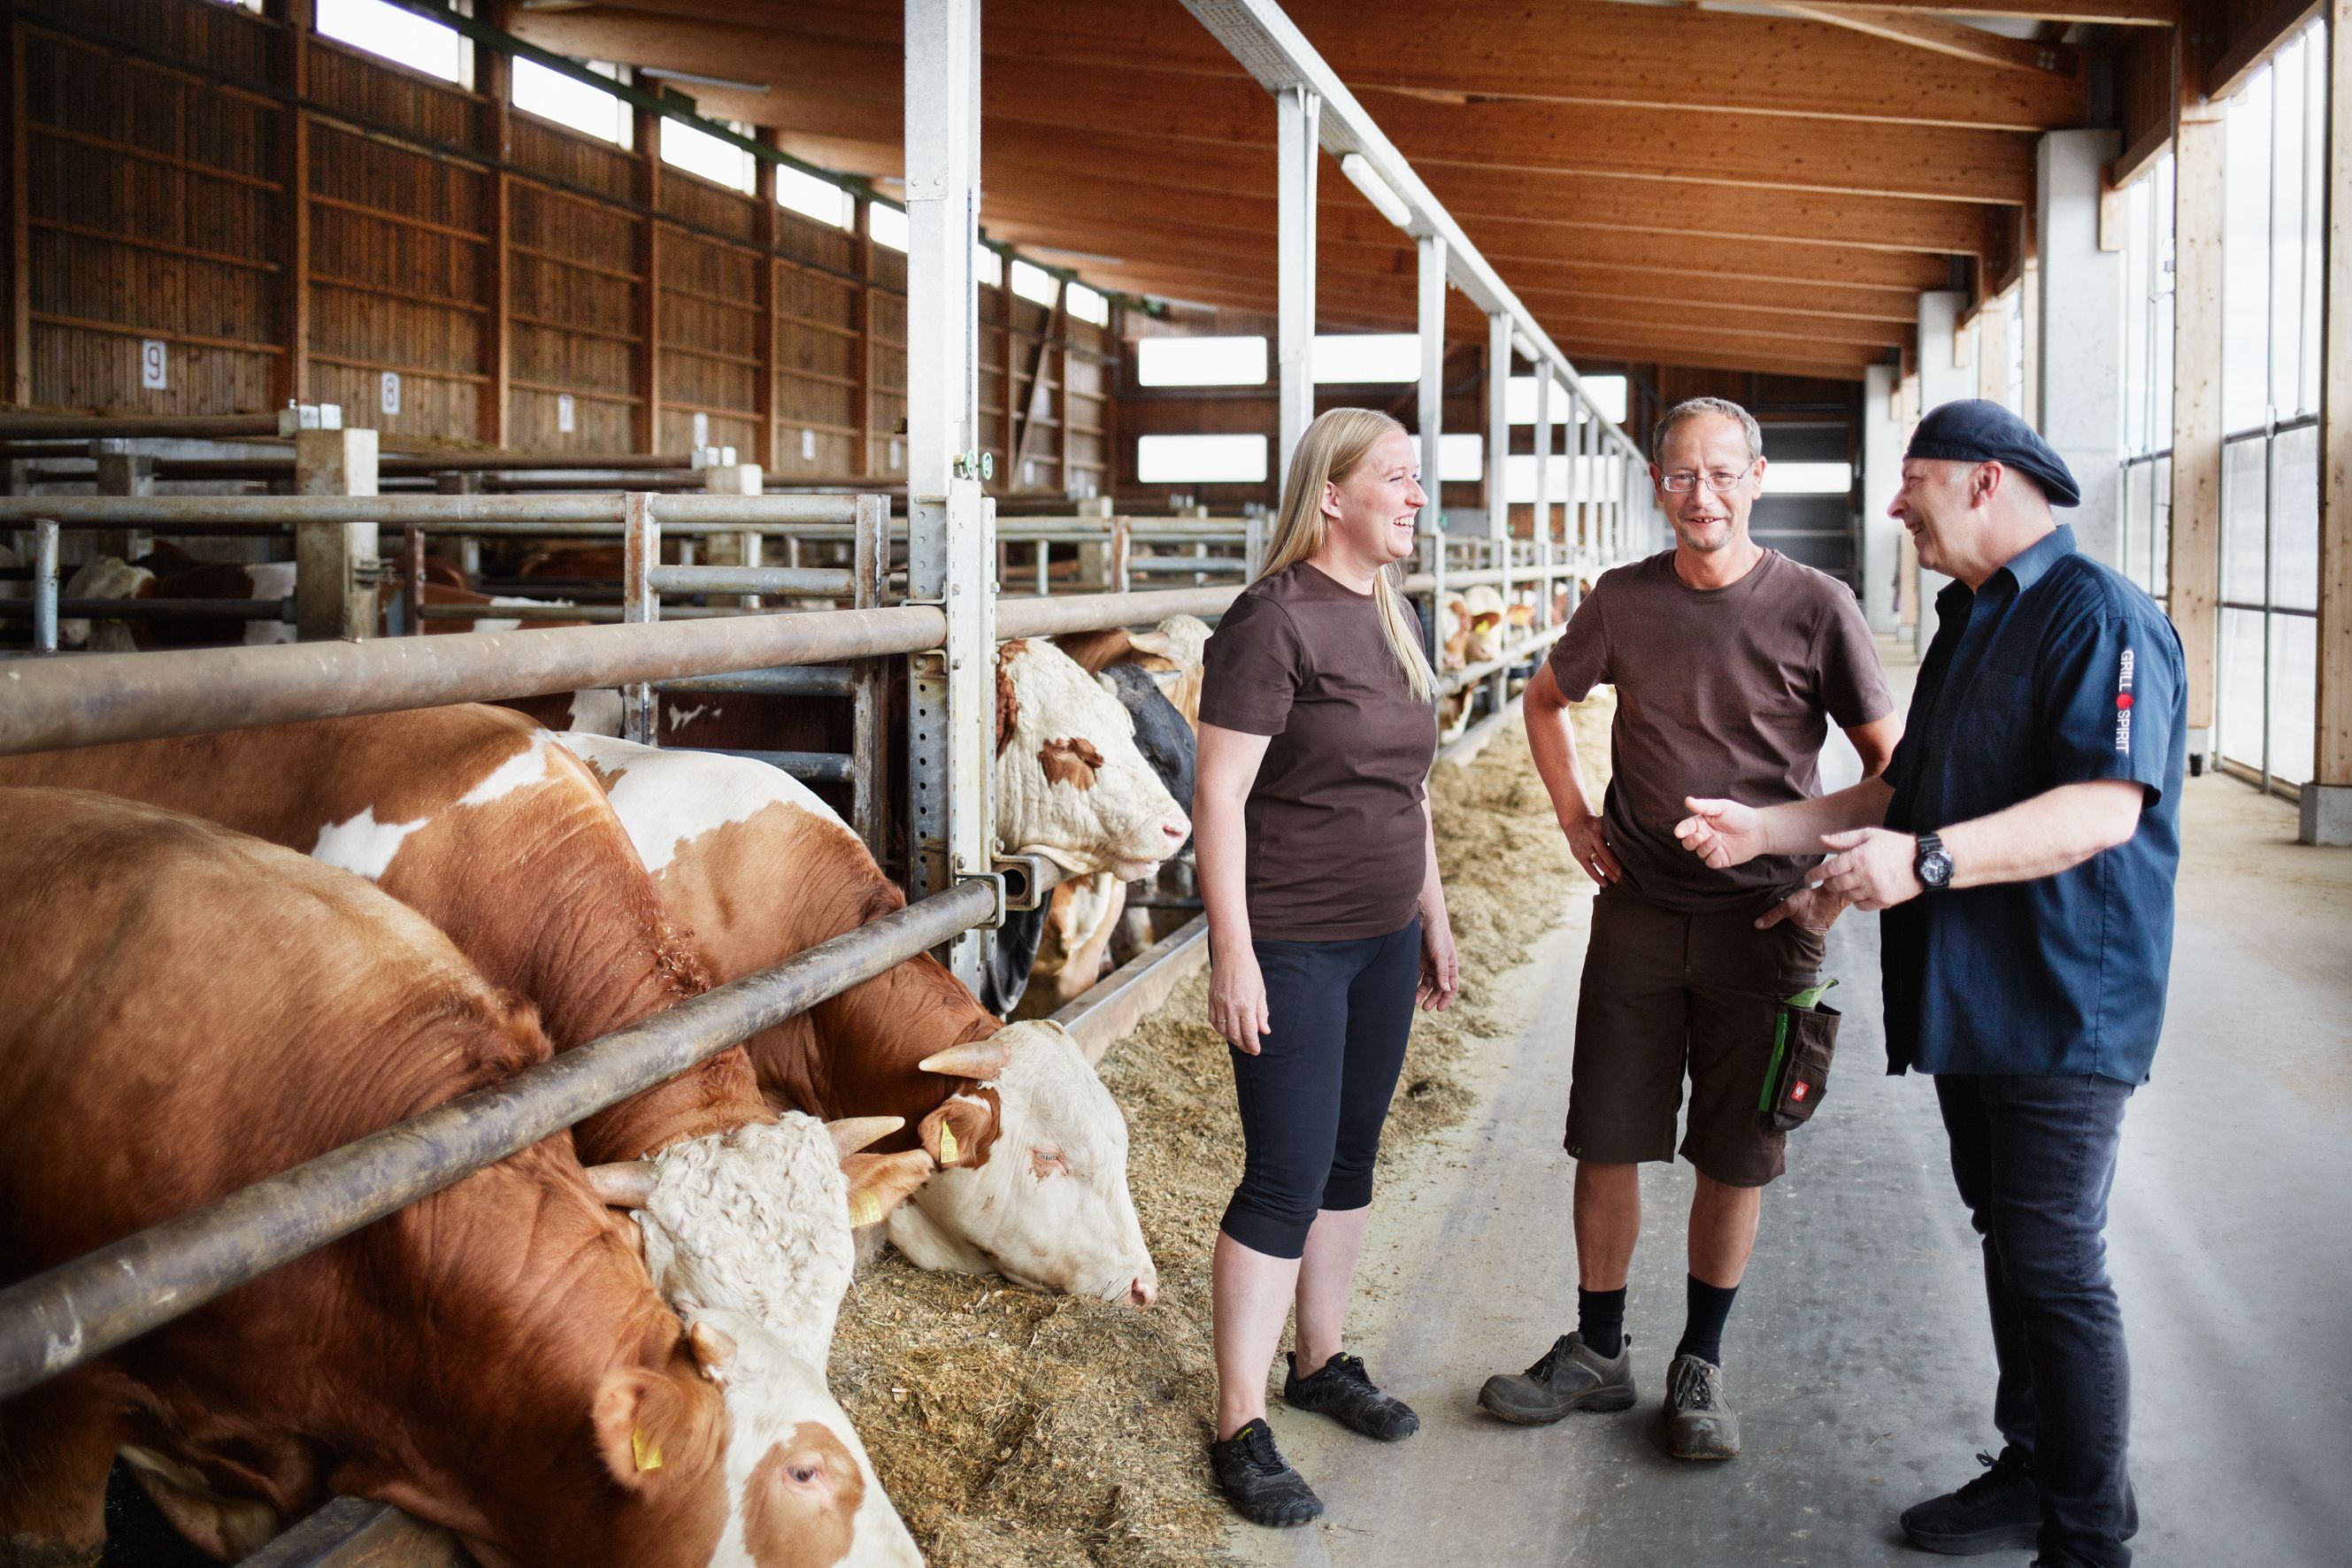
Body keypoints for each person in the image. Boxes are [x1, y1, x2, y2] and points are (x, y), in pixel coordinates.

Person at [1676, 399, 2184, 1567]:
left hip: (2064, 998)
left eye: (1913, 482)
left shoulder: (2096, 618)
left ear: (1987, 482)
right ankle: (2033, 1467)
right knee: (2007, 1238)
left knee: (2053, 1261)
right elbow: (1901, 795)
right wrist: (1769, 830)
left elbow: (2100, 810)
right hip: (1977, 995)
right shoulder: (1965, 620)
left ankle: (2089, 1534)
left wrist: (1926, 864)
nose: (1895, 506)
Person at [1477, 396, 1899, 1459]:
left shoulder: (1817, 604)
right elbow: (1542, 702)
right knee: (1607, 1132)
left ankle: (1698, 1364)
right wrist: (1576, 817)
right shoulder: (1622, 600)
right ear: (1658, 485)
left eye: (1722, 474)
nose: (1701, 495)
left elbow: (1896, 769)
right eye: (1680, 475)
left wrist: (1827, 883)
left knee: (1736, 1149)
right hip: (1639, 906)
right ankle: (1601, 1350)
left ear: (1758, 478)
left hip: (1766, 919)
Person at [1194, 407, 1460, 1527]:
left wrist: (1432, 916)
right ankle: (1238, 1419)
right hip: (1294, 942)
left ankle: (1323, 1358)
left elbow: (1412, 790)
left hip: (1382, 935)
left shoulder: (1396, 613)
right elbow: (1218, 797)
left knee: (1352, 1153)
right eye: (1397, 479)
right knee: (1285, 1172)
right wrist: (1235, 952)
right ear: (1334, 493)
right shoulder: (1272, 620)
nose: (1416, 496)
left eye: (1417, 479)